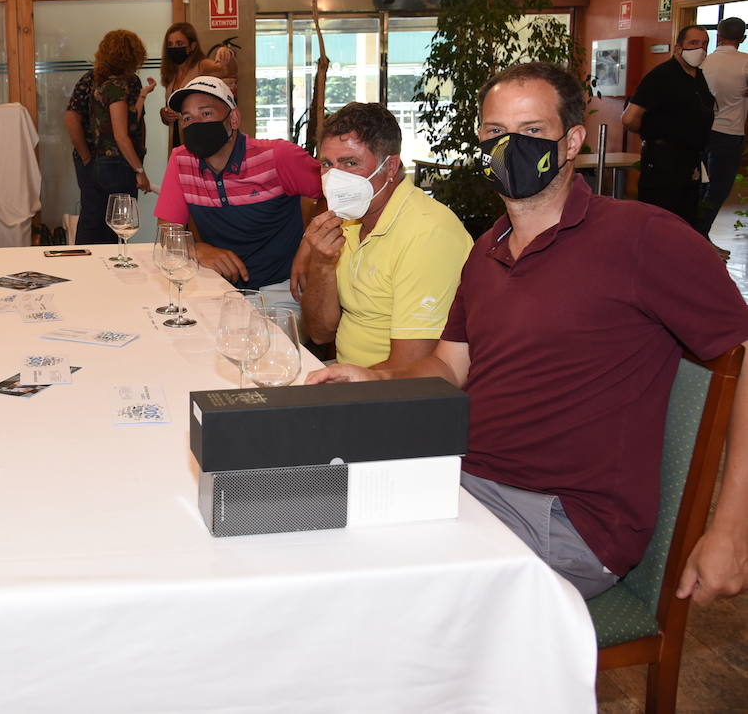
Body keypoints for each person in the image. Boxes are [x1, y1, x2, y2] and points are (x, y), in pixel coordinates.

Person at [308, 62, 748, 603]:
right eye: (495, 132)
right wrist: (372, 380)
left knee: (366, 593)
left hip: (566, 518)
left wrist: (732, 529)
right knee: (297, 522)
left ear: (572, 142)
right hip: (465, 482)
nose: (510, 145)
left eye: (533, 132)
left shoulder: (640, 237)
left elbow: (742, 353)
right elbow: (449, 367)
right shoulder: (488, 248)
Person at [299, 103, 471, 369]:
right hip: (351, 378)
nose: (335, 178)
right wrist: (321, 263)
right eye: (327, 164)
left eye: (350, 163)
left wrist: (334, 392)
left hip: (396, 396)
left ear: (390, 167)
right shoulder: (346, 220)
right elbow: (320, 333)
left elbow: (412, 367)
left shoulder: (428, 234)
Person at [154, 76, 321, 303]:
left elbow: (336, 196)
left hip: (282, 287)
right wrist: (197, 249)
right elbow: (167, 232)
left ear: (233, 118)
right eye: (187, 118)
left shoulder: (278, 156)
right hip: (219, 287)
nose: (195, 124)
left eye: (206, 113)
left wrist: (310, 244)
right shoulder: (181, 161)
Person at [64, 29, 156, 244]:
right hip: (114, 163)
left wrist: (143, 94)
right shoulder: (113, 86)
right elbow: (121, 134)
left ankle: (89, 266)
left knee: (97, 221)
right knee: (115, 225)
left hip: (105, 162)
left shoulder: (107, 85)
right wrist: (139, 170)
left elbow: (130, 117)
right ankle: (108, 268)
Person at [623, 25, 715, 225]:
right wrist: (655, 134)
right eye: (693, 43)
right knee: (659, 217)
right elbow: (630, 118)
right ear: (678, 48)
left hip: (690, 159)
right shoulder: (662, 75)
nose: (700, 48)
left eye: (704, 44)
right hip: (663, 159)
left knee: (685, 217)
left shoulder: (697, 76)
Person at [696, 17, 748, 250]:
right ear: (743, 39)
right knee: (718, 189)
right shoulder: (746, 63)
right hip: (729, 134)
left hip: (700, 132)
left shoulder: (703, 62)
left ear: (717, 36)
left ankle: (694, 235)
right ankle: (700, 237)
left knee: (699, 185)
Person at [158, 22, 237, 129]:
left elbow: (226, 69)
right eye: (170, 44)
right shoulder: (171, 74)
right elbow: (171, 109)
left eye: (179, 43)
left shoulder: (202, 66)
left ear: (192, 46)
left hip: (198, 133)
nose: (174, 48)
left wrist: (226, 53)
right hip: (177, 138)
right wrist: (164, 113)